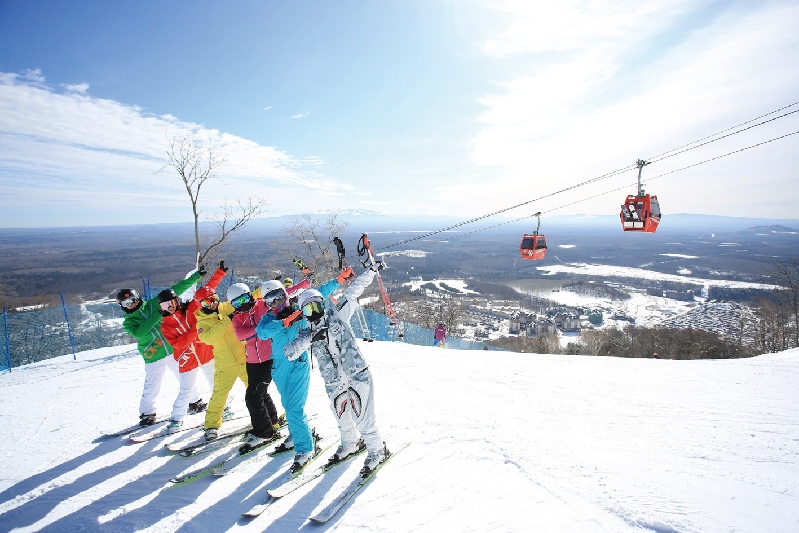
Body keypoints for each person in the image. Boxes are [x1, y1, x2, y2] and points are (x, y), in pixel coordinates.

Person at [286, 262, 390, 477]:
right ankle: (350, 444)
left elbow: (353, 292)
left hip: (356, 374)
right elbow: (289, 352)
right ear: (303, 313)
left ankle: (377, 451)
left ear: (323, 305)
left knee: (362, 416)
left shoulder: (338, 315)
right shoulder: (306, 333)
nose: (314, 312)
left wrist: (370, 271)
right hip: (334, 381)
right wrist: (311, 338)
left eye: (317, 306)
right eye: (308, 309)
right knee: (341, 415)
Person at [116, 269, 202, 426]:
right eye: (127, 304)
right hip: (153, 354)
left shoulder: (152, 304)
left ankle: (195, 401)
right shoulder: (128, 323)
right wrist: (159, 314)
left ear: (138, 298)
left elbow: (175, 290)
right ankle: (147, 412)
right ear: (123, 307)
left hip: (171, 349)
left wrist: (196, 276)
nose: (132, 304)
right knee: (152, 384)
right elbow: (141, 331)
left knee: (184, 375)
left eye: (133, 300)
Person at [255, 278, 319, 472]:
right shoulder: (269, 318)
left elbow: (317, 300)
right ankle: (296, 434)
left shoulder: (299, 309)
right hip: (279, 368)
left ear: (285, 294)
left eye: (279, 297)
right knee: (287, 404)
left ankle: (305, 447)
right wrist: (283, 323)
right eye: (270, 300)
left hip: (298, 364)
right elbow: (261, 333)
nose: (276, 303)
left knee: (294, 407)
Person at [159, 263, 220, 433]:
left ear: (177, 301)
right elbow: (177, 344)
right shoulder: (165, 326)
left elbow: (207, 291)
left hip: (204, 352)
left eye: (171, 303)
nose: (169, 308)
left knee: (216, 383)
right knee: (186, 389)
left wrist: (220, 273)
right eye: (165, 306)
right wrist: (195, 331)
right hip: (187, 359)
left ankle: (224, 407)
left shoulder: (190, 309)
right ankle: (177, 418)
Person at [194, 261, 250, 441]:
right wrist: (227, 321)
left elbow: (242, 301)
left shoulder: (224, 308)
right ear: (201, 304)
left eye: (215, 298)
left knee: (256, 390)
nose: (213, 303)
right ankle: (211, 425)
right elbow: (208, 338)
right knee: (219, 396)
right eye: (208, 301)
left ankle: (265, 416)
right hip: (225, 365)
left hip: (244, 359)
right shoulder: (202, 322)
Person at [228, 281, 284, 452]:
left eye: (244, 299)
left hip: (268, 358)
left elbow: (278, 310)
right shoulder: (237, 317)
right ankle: (272, 421)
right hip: (252, 361)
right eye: (237, 303)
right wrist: (260, 329)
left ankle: (264, 433)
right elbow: (240, 335)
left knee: (252, 397)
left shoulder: (262, 305)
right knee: (260, 393)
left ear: (250, 295)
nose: (242, 304)